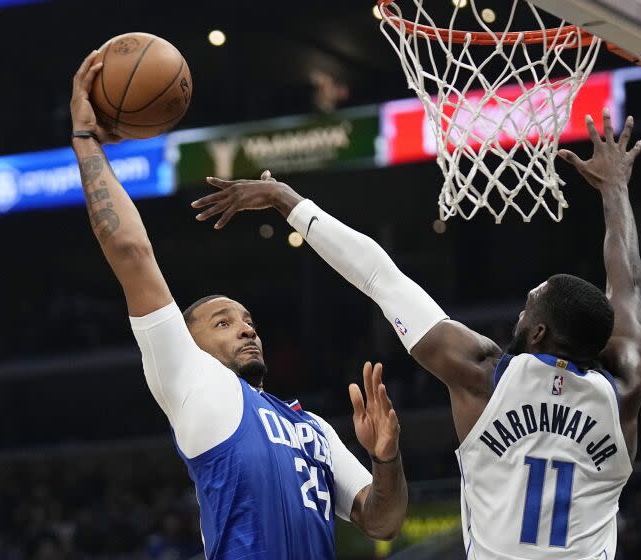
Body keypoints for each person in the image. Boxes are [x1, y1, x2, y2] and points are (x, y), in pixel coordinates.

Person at [191, 108, 641, 558]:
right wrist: (615, 190)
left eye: (527, 307)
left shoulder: (482, 376)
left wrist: (284, 200)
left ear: (538, 332)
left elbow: (379, 276)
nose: (519, 314)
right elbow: (626, 282)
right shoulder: (626, 387)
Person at [69, 51, 407, 560]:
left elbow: (383, 521)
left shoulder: (311, 427)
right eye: (223, 322)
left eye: (248, 321)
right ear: (191, 344)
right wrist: (86, 141)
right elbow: (131, 252)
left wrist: (387, 458)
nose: (246, 329)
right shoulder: (187, 378)